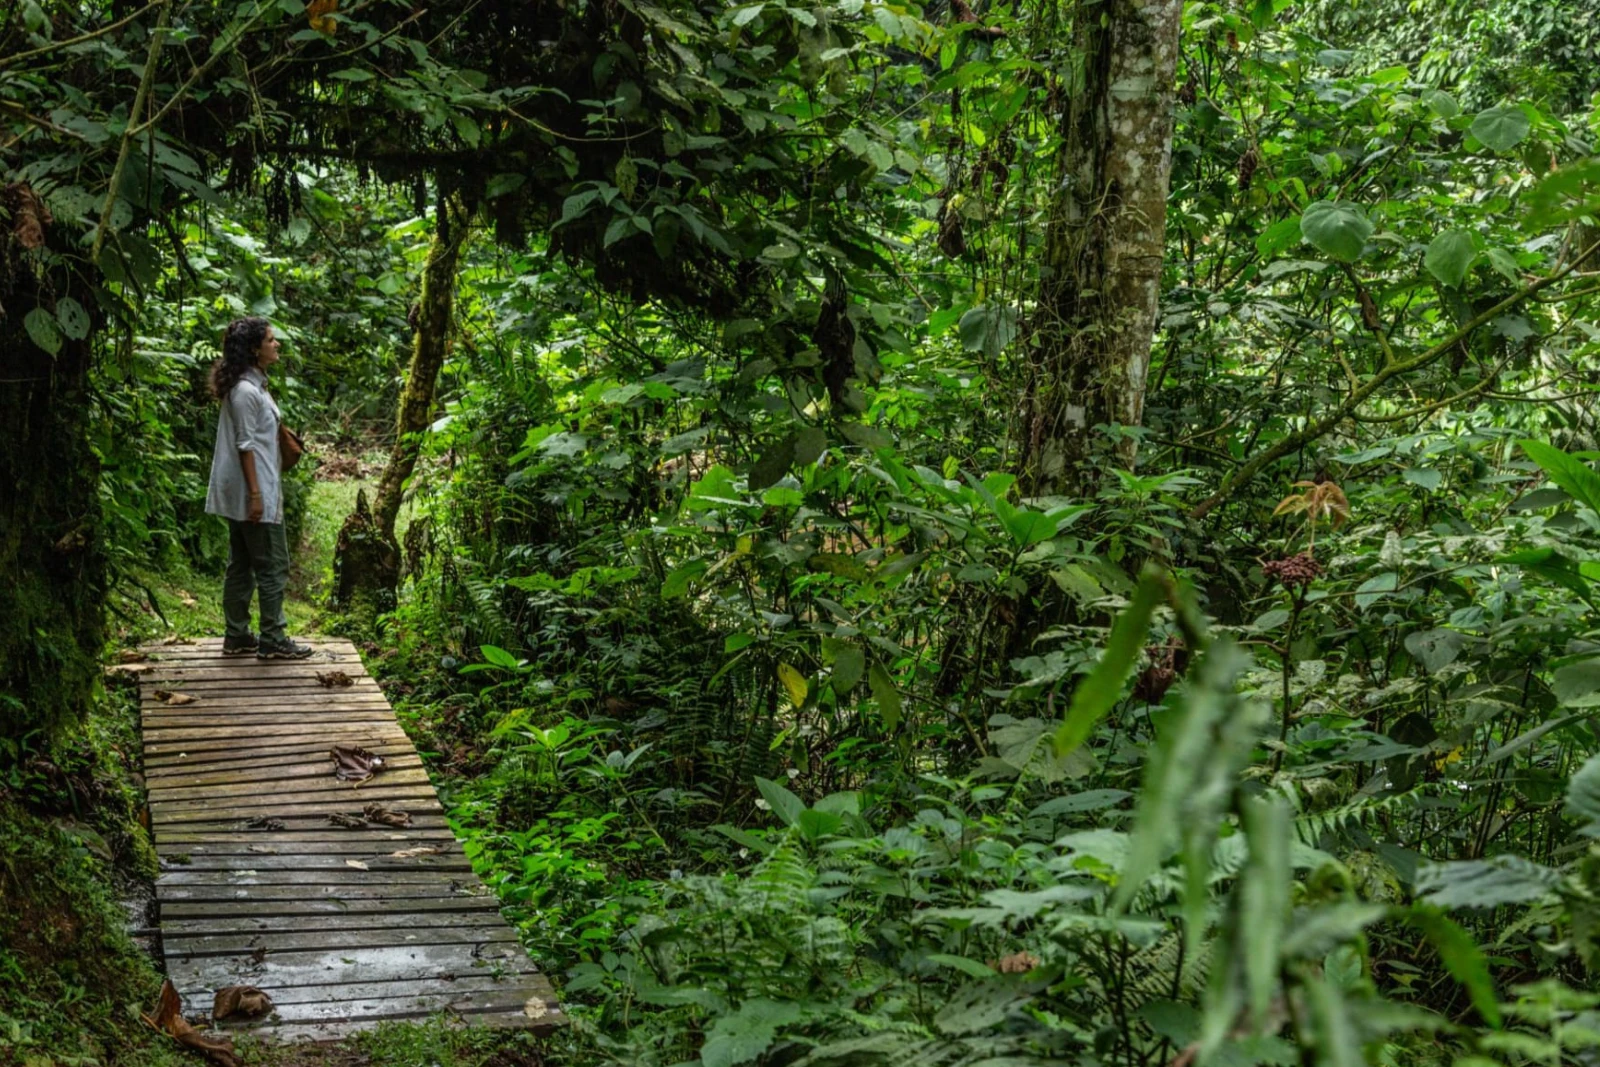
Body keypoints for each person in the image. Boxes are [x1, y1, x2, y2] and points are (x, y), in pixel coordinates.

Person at [204, 317, 314, 659]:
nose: (276, 344)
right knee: (272, 564)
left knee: (241, 562)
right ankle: (273, 639)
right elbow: (245, 445)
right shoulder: (246, 392)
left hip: (248, 490)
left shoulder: (251, 387)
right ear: (254, 349)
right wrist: (256, 495)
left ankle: (237, 635)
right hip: (254, 492)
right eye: (270, 339)